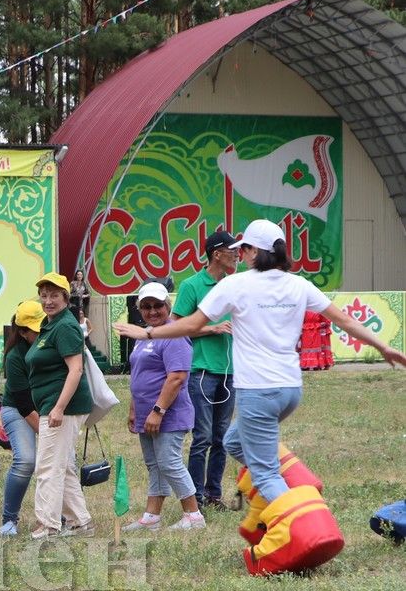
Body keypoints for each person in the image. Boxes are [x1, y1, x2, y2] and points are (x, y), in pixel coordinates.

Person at [115, 219, 406, 508]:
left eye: (243, 250)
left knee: (264, 473)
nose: (238, 255)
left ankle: (304, 522)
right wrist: (382, 346)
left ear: (256, 251)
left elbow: (191, 323)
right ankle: (299, 482)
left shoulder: (237, 284)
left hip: (259, 391)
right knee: (233, 443)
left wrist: (149, 332)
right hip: (290, 390)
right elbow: (344, 320)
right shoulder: (298, 284)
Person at [121, 283, 204, 531]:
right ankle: (152, 517)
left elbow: (177, 377)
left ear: (168, 306)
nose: (152, 311)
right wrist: (135, 408)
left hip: (169, 414)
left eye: (158, 305)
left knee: (169, 462)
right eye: (146, 307)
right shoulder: (145, 335)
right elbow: (139, 373)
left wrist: (158, 411)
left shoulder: (173, 335)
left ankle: (193, 515)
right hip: (146, 414)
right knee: (154, 464)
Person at [171, 229, 237, 510]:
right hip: (201, 372)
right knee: (203, 438)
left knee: (222, 440)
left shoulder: (235, 286)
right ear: (216, 254)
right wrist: (210, 329)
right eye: (232, 251)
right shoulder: (192, 286)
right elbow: (175, 327)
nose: (237, 255)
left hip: (230, 372)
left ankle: (214, 495)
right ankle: (195, 497)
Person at [26, 272, 94, 540]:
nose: (48, 300)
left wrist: (59, 407)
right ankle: (80, 522)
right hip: (52, 406)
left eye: (54, 295)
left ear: (66, 297)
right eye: (44, 295)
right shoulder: (51, 323)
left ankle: (48, 524)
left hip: (62, 407)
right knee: (62, 466)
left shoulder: (65, 326)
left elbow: (75, 370)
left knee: (47, 466)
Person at [0, 300, 45, 537]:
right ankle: (9, 519)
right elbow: (25, 406)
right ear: (23, 331)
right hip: (17, 410)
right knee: (26, 460)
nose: (41, 331)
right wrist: (47, 433)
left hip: (48, 409)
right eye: (35, 329)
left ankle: (64, 516)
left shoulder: (51, 344)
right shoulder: (14, 358)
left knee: (61, 462)